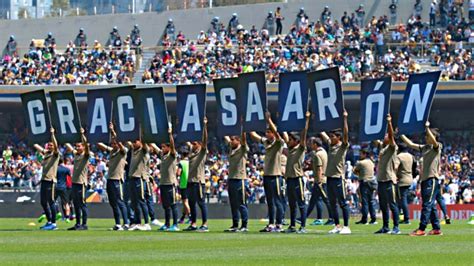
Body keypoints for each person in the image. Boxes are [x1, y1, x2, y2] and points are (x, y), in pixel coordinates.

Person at [401, 122, 443, 236]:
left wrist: (427, 127)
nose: (425, 137)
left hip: (432, 179)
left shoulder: (437, 146)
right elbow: (410, 144)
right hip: (425, 180)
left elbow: (433, 141)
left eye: (427, 136)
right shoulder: (424, 147)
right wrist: (400, 134)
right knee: (430, 204)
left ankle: (422, 229)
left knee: (427, 204)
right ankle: (436, 229)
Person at [250, 113, 285, 233]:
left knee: (277, 201)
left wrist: (269, 120)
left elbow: (277, 134)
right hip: (267, 175)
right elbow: (254, 136)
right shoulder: (266, 142)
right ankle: (271, 224)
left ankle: (279, 224)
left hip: (276, 175)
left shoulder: (278, 143)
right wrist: (249, 122)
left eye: (268, 132)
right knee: (270, 202)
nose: (266, 134)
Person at [320, 110, 351, 234]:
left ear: (338, 138)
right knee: (332, 204)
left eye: (333, 136)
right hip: (330, 178)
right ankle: (337, 225)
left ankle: (347, 226)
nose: (330, 138)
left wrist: (344, 119)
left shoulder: (342, 146)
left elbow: (346, 133)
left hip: (338, 178)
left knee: (342, 203)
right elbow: (322, 134)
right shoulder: (330, 146)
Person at [281, 111, 310, 233]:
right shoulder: (290, 150)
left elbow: (303, 135)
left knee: (301, 203)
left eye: (291, 140)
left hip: (298, 178)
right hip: (290, 179)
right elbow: (284, 137)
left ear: (296, 141)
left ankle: (303, 226)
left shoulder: (300, 149)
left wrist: (306, 120)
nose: (289, 141)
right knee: (292, 204)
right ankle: (292, 226)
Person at [97, 123, 130, 231]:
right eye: (112, 143)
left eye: (115, 143)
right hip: (110, 180)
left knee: (120, 202)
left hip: (117, 180)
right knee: (113, 203)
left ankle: (126, 223)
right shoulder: (112, 151)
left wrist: (112, 131)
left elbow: (119, 142)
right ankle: (118, 224)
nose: (113, 144)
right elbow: (102, 146)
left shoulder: (123, 151)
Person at [373, 114, 400, 234]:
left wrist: (389, 123)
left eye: (386, 135)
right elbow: (374, 140)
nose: (384, 136)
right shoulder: (383, 148)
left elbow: (391, 136)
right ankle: (385, 226)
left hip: (389, 180)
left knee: (392, 204)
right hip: (381, 180)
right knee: (383, 205)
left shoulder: (392, 147)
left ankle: (396, 227)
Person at [184, 117, 209, 232]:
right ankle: (193, 223)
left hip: (198, 182)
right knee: (192, 203)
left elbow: (205, 140)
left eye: (194, 143)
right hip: (190, 181)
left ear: (199, 144)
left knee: (201, 203)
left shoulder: (202, 152)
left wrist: (204, 126)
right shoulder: (192, 153)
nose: (192, 145)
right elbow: (187, 140)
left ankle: (205, 223)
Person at [153, 127, 180, 231]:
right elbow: (154, 147)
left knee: (173, 205)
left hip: (170, 184)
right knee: (166, 206)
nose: (162, 149)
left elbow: (173, 146)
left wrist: (170, 135)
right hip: (163, 184)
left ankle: (175, 225)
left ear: (168, 148)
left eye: (164, 147)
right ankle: (167, 224)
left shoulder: (172, 155)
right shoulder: (162, 156)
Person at [33, 127, 60, 230]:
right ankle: (49, 221)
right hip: (44, 181)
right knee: (43, 202)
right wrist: (33, 137)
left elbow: (56, 146)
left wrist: (52, 134)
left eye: (51, 145)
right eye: (48, 145)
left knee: (51, 201)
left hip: (51, 181)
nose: (50, 146)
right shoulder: (46, 154)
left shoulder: (55, 155)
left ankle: (54, 223)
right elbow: (36, 145)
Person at [66, 128, 92, 231]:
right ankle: (77, 223)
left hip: (81, 183)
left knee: (82, 204)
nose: (77, 147)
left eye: (79, 146)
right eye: (76, 146)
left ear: (83, 147)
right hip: (74, 183)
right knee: (76, 204)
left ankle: (84, 224)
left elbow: (86, 145)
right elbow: (68, 146)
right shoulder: (76, 154)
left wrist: (82, 134)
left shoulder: (86, 155)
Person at [224, 128, 249, 233]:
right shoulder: (231, 149)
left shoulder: (242, 148)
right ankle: (235, 224)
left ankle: (244, 225)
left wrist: (243, 128)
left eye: (233, 139)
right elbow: (225, 136)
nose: (231, 141)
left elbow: (244, 139)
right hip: (231, 179)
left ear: (238, 141)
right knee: (233, 204)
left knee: (241, 203)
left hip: (240, 179)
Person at [305, 137, 334, 226]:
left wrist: (318, 180)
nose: (310, 145)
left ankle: (332, 218)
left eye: (311, 143)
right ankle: (303, 217)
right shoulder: (324, 152)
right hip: (322, 179)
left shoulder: (317, 154)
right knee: (314, 200)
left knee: (326, 200)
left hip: (320, 181)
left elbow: (319, 168)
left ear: (315, 144)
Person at [126, 139, 152, 231]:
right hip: (132, 177)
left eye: (135, 141)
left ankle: (147, 223)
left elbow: (145, 145)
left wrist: (143, 136)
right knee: (134, 202)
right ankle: (137, 222)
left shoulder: (144, 150)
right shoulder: (133, 150)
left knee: (141, 200)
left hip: (139, 178)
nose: (133, 143)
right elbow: (126, 140)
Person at [353, 149, 377, 225]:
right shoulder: (371, 162)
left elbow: (354, 171)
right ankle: (373, 219)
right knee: (371, 201)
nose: (359, 155)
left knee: (365, 202)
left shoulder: (360, 163)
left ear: (364, 154)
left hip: (364, 182)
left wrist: (358, 170)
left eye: (360, 153)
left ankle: (364, 219)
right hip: (372, 182)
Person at [396, 142, 416, 225]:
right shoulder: (411, 156)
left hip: (402, 180)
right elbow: (414, 166)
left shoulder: (398, 157)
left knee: (402, 200)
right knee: (403, 199)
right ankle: (403, 216)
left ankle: (406, 218)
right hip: (409, 178)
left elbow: (395, 167)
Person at [55, 158, 72, 223]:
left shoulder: (56, 169)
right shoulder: (67, 169)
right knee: (66, 203)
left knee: (53, 201)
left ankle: (58, 212)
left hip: (56, 187)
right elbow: (70, 177)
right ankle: (67, 217)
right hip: (64, 188)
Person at [178, 148, 191, 224]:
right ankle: (182, 218)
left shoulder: (181, 163)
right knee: (185, 202)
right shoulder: (190, 162)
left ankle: (190, 217)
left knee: (185, 202)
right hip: (190, 184)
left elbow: (178, 173)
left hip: (183, 184)